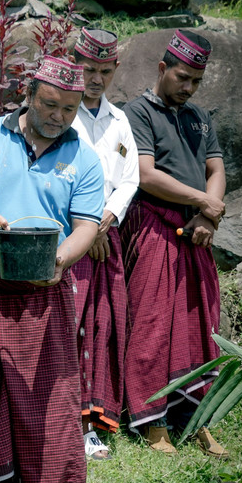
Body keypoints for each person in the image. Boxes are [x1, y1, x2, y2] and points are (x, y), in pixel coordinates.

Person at [0, 56, 105, 483]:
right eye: (50, 104)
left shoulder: (84, 159)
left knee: (48, 391)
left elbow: (86, 226)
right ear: (28, 95)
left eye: (70, 109)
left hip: (45, 288)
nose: (58, 116)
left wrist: (61, 259)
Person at [122, 28, 227, 456]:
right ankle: (151, 423)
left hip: (195, 233)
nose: (188, 87)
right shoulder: (138, 112)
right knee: (151, 324)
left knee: (200, 326)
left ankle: (196, 420)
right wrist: (203, 200)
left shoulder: (200, 116)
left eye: (196, 82)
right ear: (163, 68)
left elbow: (216, 170)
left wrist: (208, 213)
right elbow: (145, 174)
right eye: (182, 77)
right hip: (153, 228)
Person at [71, 27, 139, 460]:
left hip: (105, 239)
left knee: (103, 325)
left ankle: (94, 423)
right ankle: (68, 420)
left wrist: (103, 223)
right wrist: (87, 227)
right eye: (87, 69)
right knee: (71, 325)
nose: (95, 78)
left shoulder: (120, 121)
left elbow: (129, 178)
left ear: (114, 70)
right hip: (70, 239)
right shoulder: (60, 112)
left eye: (103, 71)